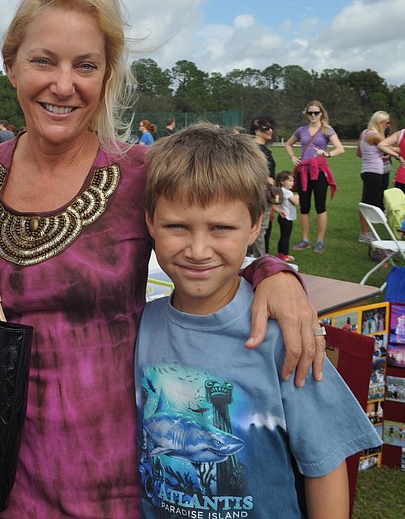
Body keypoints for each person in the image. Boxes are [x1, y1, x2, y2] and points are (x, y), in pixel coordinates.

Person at [0, 0, 322, 517]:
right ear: (11, 65)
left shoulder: (139, 171)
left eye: (85, 66)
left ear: (107, 73)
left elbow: (217, 225)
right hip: (6, 465)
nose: (63, 85)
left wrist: (275, 273)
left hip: (125, 465)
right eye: (43, 60)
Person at [137, 124, 381, 518]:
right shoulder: (140, 325)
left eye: (221, 228)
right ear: (150, 222)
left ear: (255, 226)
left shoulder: (285, 334)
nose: (198, 250)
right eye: (177, 226)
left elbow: (325, 463)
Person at [285, 100, 344, 253]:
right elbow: (288, 144)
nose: (313, 115)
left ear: (321, 113)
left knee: (320, 207)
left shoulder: (327, 130)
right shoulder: (301, 130)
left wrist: (327, 154)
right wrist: (292, 156)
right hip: (304, 172)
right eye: (310, 112)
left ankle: (320, 241)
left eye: (316, 113)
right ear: (306, 114)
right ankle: (305, 240)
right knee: (304, 207)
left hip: (319, 172)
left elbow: (340, 148)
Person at [358, 111, 392, 243]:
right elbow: (390, 149)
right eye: (386, 123)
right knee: (368, 204)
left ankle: (366, 231)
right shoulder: (375, 135)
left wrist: (372, 156)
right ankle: (364, 234)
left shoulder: (365, 132)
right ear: (379, 122)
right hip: (374, 172)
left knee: (370, 202)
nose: (388, 125)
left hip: (367, 170)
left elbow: (359, 152)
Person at [248, 116, 277, 257]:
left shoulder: (261, 149)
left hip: (265, 194)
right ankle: (261, 261)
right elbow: (246, 169)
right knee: (259, 229)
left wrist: (275, 202)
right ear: (256, 131)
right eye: (266, 128)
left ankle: (251, 258)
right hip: (259, 194)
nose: (270, 130)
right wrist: (265, 178)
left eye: (271, 127)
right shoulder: (255, 149)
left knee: (258, 228)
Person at [274, 169, 300, 263]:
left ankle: (281, 253)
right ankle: (284, 255)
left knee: (283, 236)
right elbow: (295, 202)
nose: (292, 183)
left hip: (282, 217)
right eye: (289, 180)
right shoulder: (288, 192)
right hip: (287, 217)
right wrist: (297, 196)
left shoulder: (280, 190)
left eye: (293, 181)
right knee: (286, 237)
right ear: (282, 181)